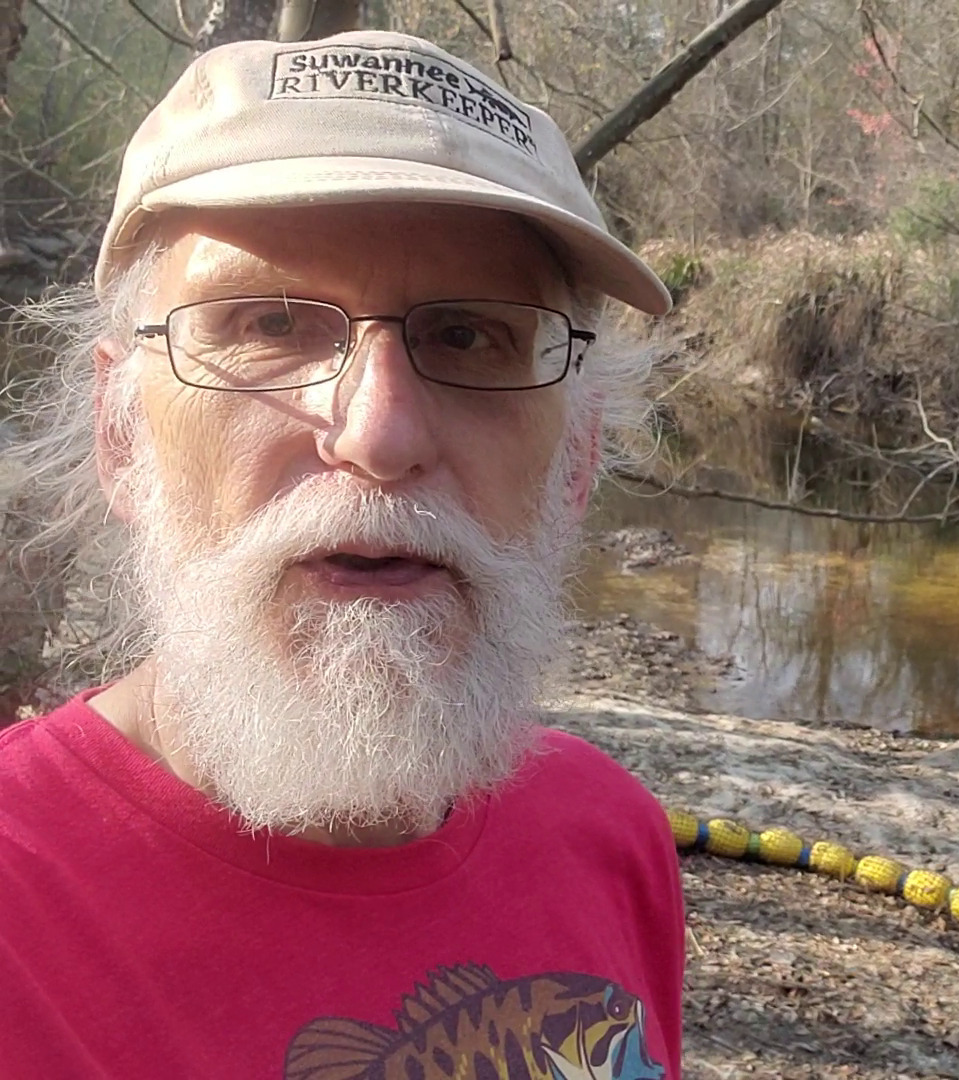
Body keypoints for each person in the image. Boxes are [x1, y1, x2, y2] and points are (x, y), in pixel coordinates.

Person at [0, 30, 684, 1079]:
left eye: (468, 337)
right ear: (122, 433)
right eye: (271, 324)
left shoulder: (613, 840)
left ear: (577, 458)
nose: (378, 433)